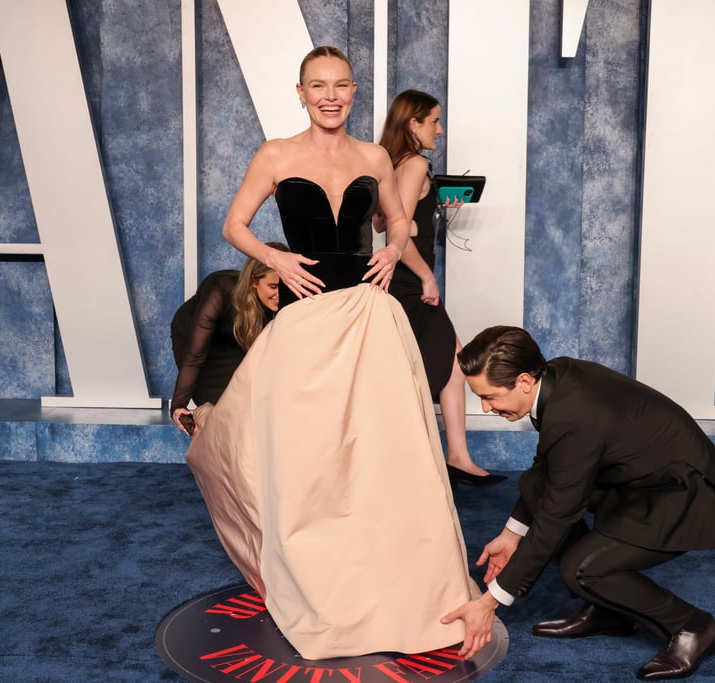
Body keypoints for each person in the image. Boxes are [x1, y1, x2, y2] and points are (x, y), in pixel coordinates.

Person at [185, 46, 476, 660]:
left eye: (341, 85)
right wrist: (277, 258)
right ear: (300, 92)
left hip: (370, 316)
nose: (330, 95)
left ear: (353, 91)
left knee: (382, 454)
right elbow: (235, 224)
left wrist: (395, 250)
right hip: (306, 322)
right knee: (310, 461)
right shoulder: (276, 154)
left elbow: (398, 222)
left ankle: (392, 586)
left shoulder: (374, 156)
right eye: (318, 85)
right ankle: (323, 586)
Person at [441, 326, 715, 680]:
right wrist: (511, 535)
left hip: (686, 497)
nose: (486, 408)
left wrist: (490, 602)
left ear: (523, 381)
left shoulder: (573, 415)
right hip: (641, 481)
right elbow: (549, 470)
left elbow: (557, 517)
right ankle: (607, 611)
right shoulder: (555, 375)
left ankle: (693, 626)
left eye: (489, 397)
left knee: (583, 569)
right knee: (535, 482)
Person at [378, 88, 504, 487]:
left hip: (401, 281)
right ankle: (420, 462)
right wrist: (427, 277)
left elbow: (386, 221)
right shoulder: (415, 164)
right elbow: (395, 237)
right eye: (434, 120)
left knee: (452, 364)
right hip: (408, 283)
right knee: (421, 370)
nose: (440, 128)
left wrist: (433, 208)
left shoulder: (392, 163)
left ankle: (457, 456)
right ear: (413, 124)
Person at [169, 244, 287, 435]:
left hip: (238, 339)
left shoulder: (282, 299)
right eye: (273, 287)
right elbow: (195, 356)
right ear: (253, 281)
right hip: (196, 339)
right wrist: (178, 406)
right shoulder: (220, 289)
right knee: (221, 410)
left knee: (250, 404)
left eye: (284, 286)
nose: (279, 295)